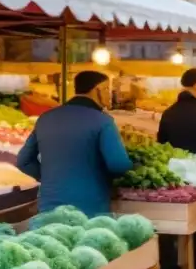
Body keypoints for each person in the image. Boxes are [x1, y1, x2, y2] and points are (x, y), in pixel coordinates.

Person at [16, 71, 132, 217]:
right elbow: (118, 164)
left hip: (50, 206)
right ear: (97, 90)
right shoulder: (102, 121)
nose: (109, 95)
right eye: (107, 89)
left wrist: (49, 177)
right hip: (89, 207)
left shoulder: (46, 118)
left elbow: (23, 161)